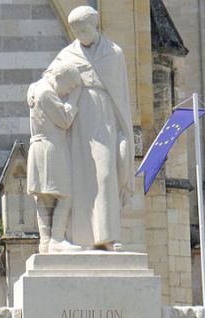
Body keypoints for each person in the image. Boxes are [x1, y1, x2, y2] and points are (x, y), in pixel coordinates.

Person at [46, 6, 135, 250]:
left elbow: (122, 97)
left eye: (83, 28)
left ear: (94, 25)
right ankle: (79, 238)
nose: (79, 33)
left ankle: (107, 236)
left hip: (104, 117)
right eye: (75, 30)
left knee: (105, 174)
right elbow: (49, 81)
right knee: (79, 178)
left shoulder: (113, 53)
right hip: (76, 121)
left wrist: (123, 132)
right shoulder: (67, 54)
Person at [27, 62, 83, 253]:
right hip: (51, 147)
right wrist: (73, 101)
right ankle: (56, 239)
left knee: (43, 198)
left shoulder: (33, 88)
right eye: (68, 86)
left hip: (37, 147)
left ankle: (45, 242)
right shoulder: (47, 92)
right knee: (66, 194)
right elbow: (65, 120)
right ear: (59, 77)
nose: (68, 91)